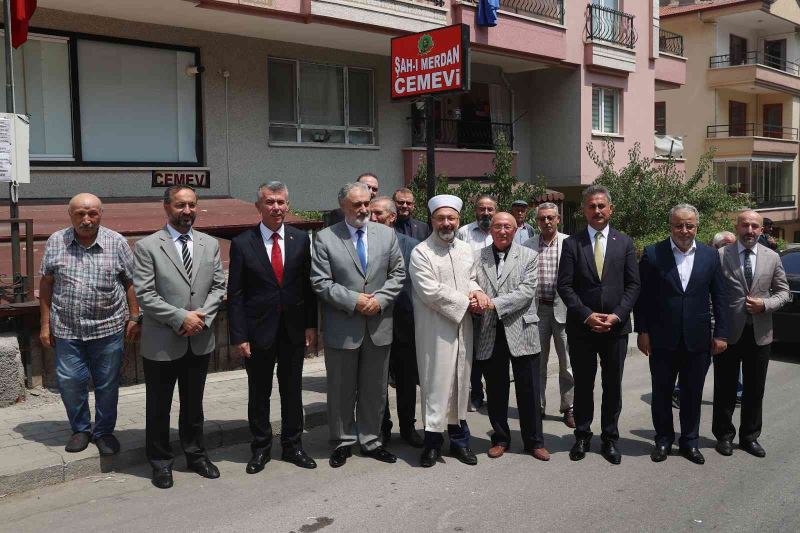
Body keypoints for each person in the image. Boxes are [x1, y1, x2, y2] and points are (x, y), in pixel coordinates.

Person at [133, 185, 226, 489]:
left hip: (198, 338)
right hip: (162, 341)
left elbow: (218, 287)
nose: (187, 211)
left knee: (193, 405)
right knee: (159, 406)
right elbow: (145, 295)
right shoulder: (147, 246)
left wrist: (201, 317)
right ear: (166, 207)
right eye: (180, 205)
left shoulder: (209, 244)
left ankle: (196, 455)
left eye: (191, 205)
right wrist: (180, 317)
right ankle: (160, 462)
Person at [311, 182, 405, 468]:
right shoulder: (325, 238)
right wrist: (355, 300)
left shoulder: (387, 235)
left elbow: (398, 273)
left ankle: (371, 440)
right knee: (340, 389)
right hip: (343, 326)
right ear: (343, 207)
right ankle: (342, 441)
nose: (364, 209)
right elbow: (320, 282)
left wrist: (379, 300)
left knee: (375, 389)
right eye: (357, 205)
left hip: (378, 325)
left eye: (366, 203)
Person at [39, 193, 140, 456]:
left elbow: (130, 282)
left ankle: (104, 431)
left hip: (108, 327)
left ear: (100, 214)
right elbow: (46, 283)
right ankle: (81, 429)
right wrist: (45, 325)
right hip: (67, 328)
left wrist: (134, 316)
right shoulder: (56, 241)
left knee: (107, 383)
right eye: (80, 214)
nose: (86, 219)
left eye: (92, 213)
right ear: (70, 215)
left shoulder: (116, 242)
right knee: (71, 381)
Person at [227, 182, 318, 474]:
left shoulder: (301, 240)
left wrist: (310, 325)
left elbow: (308, 287)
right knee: (259, 392)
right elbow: (236, 295)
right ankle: (261, 448)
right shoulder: (242, 243)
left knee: (292, 391)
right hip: (257, 333)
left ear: (287, 206)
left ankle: (293, 446)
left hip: (293, 330)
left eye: (280, 202)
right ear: (259, 206)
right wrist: (239, 336)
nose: (276, 207)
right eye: (269, 202)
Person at [635, 204, 729, 465]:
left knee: (692, 394)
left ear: (697, 227)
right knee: (662, 393)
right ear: (671, 226)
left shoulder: (711, 256)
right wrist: (642, 331)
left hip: (698, 339)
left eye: (689, 225)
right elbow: (643, 299)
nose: (684, 230)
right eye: (679, 225)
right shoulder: (654, 254)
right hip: (662, 338)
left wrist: (721, 333)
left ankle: (690, 442)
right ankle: (663, 440)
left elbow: (719, 298)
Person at [556, 185, 640, 465]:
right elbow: (565, 286)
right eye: (592, 206)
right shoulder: (572, 244)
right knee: (583, 384)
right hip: (582, 328)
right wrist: (586, 315)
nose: (597, 211)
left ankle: (609, 438)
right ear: (584, 211)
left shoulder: (625, 242)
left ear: (611, 209)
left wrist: (616, 316)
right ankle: (582, 435)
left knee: (612, 385)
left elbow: (633, 285)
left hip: (616, 329)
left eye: (602, 206)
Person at [410, 194, 490, 467]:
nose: (447, 223)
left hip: (462, 326)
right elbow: (429, 291)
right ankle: (432, 443)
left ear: (458, 220)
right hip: (435, 329)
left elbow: (471, 279)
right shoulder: (421, 252)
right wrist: (466, 302)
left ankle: (459, 442)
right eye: (441, 218)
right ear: (432, 220)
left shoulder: (466, 250)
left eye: (451, 218)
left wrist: (478, 294)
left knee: (460, 383)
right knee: (436, 384)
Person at [713, 210, 790, 458]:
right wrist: (715, 330)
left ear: (761, 230)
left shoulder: (772, 257)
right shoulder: (721, 255)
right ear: (737, 227)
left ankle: (749, 437)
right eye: (745, 225)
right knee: (724, 387)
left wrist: (764, 305)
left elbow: (783, 292)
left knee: (755, 389)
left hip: (760, 333)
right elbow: (712, 294)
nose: (750, 230)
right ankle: (724, 436)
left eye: (754, 226)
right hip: (728, 332)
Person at [475, 212, 550, 461]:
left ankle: (534, 441)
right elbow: (472, 286)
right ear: (491, 230)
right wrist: (476, 301)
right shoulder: (479, 257)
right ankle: (500, 438)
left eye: (508, 226)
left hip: (523, 329)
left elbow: (526, 293)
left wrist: (492, 304)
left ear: (516, 229)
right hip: (490, 331)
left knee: (529, 389)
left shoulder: (529, 256)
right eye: (498, 226)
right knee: (496, 390)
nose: (503, 231)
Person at [370, 197, 425, 448]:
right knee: (377, 379)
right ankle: (382, 427)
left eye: (378, 213)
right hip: (373, 325)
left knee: (405, 380)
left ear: (392, 217)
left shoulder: (413, 247)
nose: (372, 217)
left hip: (405, 324)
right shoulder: (363, 245)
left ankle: (408, 427)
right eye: (370, 213)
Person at [672, 229, 737, 410]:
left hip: (729, 324)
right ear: (715, 246)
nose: (729, 248)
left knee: (729, 369)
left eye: (732, 244)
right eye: (725, 245)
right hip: (703, 325)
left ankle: (737, 392)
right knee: (697, 367)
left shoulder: (734, 262)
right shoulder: (705, 259)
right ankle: (679, 391)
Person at [524, 202, 574, 428]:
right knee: (538, 362)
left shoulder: (569, 243)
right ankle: (538, 406)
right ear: (537, 221)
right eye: (542, 218)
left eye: (550, 218)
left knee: (567, 363)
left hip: (564, 310)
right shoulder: (528, 245)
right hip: (537, 310)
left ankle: (569, 407)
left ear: (558, 219)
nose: (546, 222)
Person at [456, 194, 497, 412]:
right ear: (476, 211)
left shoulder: (501, 228)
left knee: (493, 349)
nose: (486, 213)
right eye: (482, 209)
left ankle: (495, 392)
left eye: (490, 209)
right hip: (471, 296)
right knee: (473, 349)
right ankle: (476, 392)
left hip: (496, 298)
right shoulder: (464, 232)